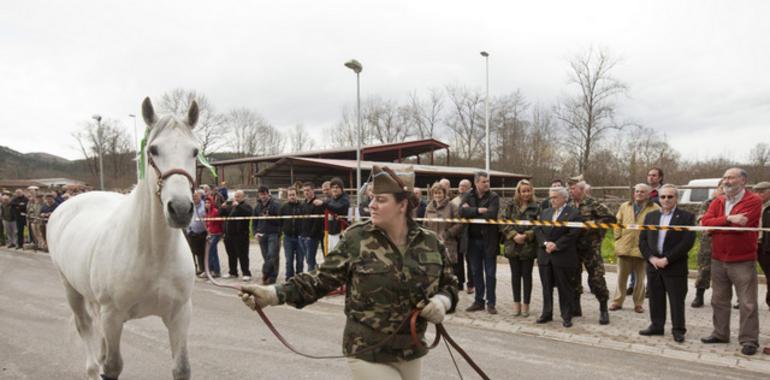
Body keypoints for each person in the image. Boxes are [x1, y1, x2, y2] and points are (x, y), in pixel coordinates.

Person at [240, 165, 459, 380]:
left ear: (402, 205)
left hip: (411, 350)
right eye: (372, 198)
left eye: (381, 200)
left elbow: (449, 285)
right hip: (367, 350)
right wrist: (272, 294)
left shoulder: (430, 243)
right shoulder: (357, 238)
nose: (371, 205)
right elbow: (319, 280)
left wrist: (442, 302)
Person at [700, 168, 762, 356]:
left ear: (742, 181)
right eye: (725, 177)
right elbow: (705, 223)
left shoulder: (753, 200)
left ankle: (749, 339)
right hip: (718, 258)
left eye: (731, 177)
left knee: (747, 302)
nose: (726, 181)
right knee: (718, 299)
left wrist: (717, 226)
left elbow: (740, 225)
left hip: (742, 259)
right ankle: (720, 333)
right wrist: (727, 219)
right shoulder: (718, 201)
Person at [638, 184, 695, 343]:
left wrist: (667, 259)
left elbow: (687, 242)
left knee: (676, 300)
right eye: (663, 197)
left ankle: (678, 330)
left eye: (670, 196)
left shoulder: (687, 217)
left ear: (676, 198)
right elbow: (642, 241)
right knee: (655, 297)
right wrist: (651, 258)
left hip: (674, 266)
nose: (666, 200)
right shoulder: (650, 217)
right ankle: (656, 326)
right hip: (654, 265)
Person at [568, 180, 615, 325]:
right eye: (569, 189)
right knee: (573, 278)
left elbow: (611, 218)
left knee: (596, 279)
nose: (570, 191)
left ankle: (603, 309)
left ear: (581, 190)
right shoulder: (569, 205)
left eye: (573, 189)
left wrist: (595, 226)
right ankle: (576, 307)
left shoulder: (593, 204)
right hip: (573, 247)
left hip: (591, 248)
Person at [535, 186, 581, 327]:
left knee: (564, 287)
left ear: (564, 198)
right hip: (545, 256)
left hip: (563, 256)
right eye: (551, 197)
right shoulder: (545, 212)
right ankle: (547, 313)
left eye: (555, 197)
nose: (552, 200)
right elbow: (538, 229)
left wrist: (557, 245)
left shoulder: (574, 213)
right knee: (546, 286)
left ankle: (566, 315)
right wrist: (545, 243)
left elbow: (573, 233)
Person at [610, 184, 659, 313]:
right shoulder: (625, 206)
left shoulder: (655, 208)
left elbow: (657, 229)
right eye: (637, 191)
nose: (639, 194)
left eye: (642, 192)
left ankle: (638, 304)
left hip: (642, 249)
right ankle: (617, 301)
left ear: (649, 194)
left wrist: (651, 245)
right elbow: (617, 223)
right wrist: (618, 238)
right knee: (621, 277)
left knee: (640, 279)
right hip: (624, 247)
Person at [460, 171, 500, 314]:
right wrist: (479, 210)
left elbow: (492, 214)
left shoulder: (494, 196)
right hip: (472, 241)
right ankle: (478, 301)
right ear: (476, 182)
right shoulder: (468, 195)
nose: (487, 184)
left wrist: (471, 211)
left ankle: (491, 303)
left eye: (488, 181)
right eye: (484, 182)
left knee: (490, 274)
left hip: (489, 240)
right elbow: (461, 212)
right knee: (476, 272)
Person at [501, 179, 540, 317]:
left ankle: (526, 305)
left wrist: (527, 235)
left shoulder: (536, 206)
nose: (526, 193)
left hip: (528, 247)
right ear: (518, 192)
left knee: (527, 276)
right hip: (513, 246)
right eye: (523, 191)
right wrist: (513, 235)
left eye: (528, 190)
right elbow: (503, 221)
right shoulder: (510, 205)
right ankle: (516, 304)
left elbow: (540, 225)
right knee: (515, 276)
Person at [691, 181, 724, 308]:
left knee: (724, 272)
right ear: (717, 189)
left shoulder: (732, 204)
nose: (724, 190)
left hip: (727, 242)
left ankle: (720, 298)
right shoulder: (708, 203)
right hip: (708, 242)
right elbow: (703, 221)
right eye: (722, 187)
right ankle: (699, 295)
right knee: (704, 270)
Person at [423, 182, 463, 270]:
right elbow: (424, 224)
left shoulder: (452, 206)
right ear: (432, 194)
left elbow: (460, 223)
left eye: (440, 193)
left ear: (444, 193)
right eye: (435, 193)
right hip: (432, 244)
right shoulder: (428, 208)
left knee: (448, 272)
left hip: (447, 243)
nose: (437, 195)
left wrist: (448, 233)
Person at [450, 179, 474, 294]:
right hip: (457, 234)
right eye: (460, 185)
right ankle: (460, 282)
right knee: (458, 260)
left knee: (470, 260)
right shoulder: (454, 201)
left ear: (469, 187)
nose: (461, 188)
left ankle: (471, 284)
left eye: (464, 186)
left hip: (469, 233)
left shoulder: (472, 199)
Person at [254, 186, 281, 284]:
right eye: (261, 194)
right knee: (266, 256)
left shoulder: (276, 204)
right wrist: (255, 232)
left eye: (264, 194)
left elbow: (280, 220)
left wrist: (269, 217)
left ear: (268, 193)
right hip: (261, 234)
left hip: (273, 233)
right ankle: (269, 276)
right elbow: (254, 220)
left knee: (272, 255)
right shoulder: (257, 206)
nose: (263, 196)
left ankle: (269, 276)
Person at [314, 177, 350, 253]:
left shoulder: (345, 199)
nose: (334, 189)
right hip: (329, 232)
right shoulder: (330, 199)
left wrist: (323, 204)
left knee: (339, 255)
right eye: (333, 187)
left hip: (340, 233)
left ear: (341, 188)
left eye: (337, 187)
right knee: (329, 255)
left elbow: (337, 208)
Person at [225, 190, 253, 281]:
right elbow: (221, 213)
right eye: (235, 196)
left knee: (243, 254)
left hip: (241, 235)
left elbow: (249, 213)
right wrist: (223, 206)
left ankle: (246, 273)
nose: (236, 198)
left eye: (238, 196)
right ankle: (233, 272)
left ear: (243, 197)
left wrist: (238, 207)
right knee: (231, 254)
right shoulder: (231, 206)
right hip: (229, 234)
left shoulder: (246, 206)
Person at [299, 182, 324, 272]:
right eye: (304, 190)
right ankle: (316, 271)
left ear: (313, 190)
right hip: (302, 235)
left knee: (310, 259)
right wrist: (300, 234)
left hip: (312, 237)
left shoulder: (317, 203)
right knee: (309, 259)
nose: (306, 192)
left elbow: (318, 222)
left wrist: (311, 235)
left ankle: (311, 276)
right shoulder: (303, 204)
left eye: (308, 190)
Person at [281, 187, 304, 280]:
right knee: (289, 260)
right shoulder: (283, 207)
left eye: (293, 195)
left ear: (297, 195)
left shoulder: (302, 206)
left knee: (300, 260)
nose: (292, 197)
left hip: (300, 237)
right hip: (288, 237)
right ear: (287, 196)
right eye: (290, 195)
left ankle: (299, 278)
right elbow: (280, 221)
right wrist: (284, 230)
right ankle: (289, 278)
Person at [755, 181, 770, 310]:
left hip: (767, 246)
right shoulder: (754, 205)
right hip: (754, 244)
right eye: (757, 192)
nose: (759, 194)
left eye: (762, 191)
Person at [186, 190, 207, 277]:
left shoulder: (204, 206)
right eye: (193, 197)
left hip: (201, 232)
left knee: (201, 252)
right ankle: (193, 269)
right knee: (191, 252)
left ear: (200, 197)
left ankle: (202, 269)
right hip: (191, 232)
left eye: (196, 196)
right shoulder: (190, 205)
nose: (194, 198)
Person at [205, 197, 223, 278]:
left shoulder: (215, 211)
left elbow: (220, 222)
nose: (207, 204)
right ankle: (216, 271)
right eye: (206, 203)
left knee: (210, 251)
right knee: (214, 253)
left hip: (216, 234)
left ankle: (209, 270)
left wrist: (222, 232)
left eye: (208, 202)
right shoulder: (208, 212)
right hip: (211, 234)